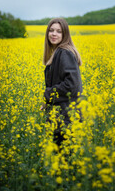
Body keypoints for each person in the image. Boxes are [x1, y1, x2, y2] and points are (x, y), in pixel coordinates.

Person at [41, 18, 83, 147]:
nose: (54, 34)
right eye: (51, 30)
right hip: (62, 116)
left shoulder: (64, 52)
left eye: (59, 31)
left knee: (64, 162)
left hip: (65, 119)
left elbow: (72, 85)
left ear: (65, 35)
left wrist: (47, 95)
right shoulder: (58, 52)